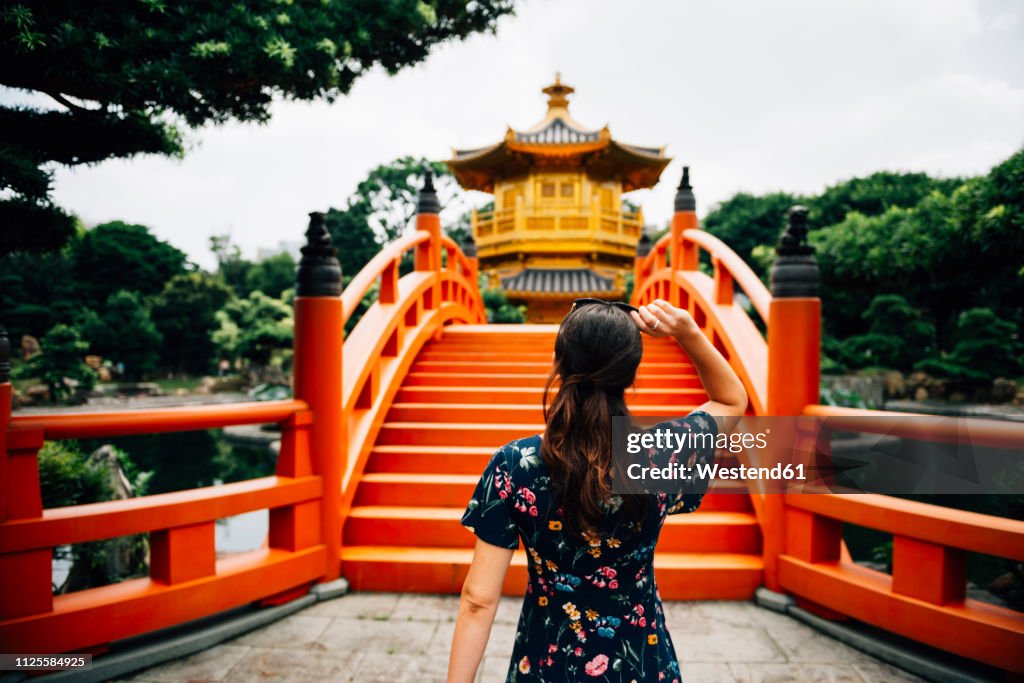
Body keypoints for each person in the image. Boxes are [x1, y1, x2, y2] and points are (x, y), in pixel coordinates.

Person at [447, 298, 748, 683]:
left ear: (560, 363)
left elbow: (478, 600)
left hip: (545, 666)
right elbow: (731, 400)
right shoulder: (662, 455)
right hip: (641, 663)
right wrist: (687, 333)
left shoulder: (513, 464)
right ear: (631, 373)